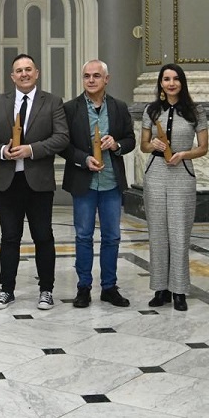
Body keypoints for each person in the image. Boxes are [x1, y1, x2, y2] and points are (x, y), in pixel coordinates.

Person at [0, 54, 69, 311]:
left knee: (43, 237)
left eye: (28, 69)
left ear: (37, 73)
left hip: (39, 182)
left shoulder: (52, 102)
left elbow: (61, 137)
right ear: (12, 76)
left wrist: (32, 149)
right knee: (9, 238)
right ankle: (6, 290)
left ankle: (46, 290)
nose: (24, 74)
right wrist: (1, 151)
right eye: (19, 70)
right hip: (8, 182)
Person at [61, 60, 135, 309]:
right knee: (83, 236)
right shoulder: (70, 109)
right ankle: (83, 287)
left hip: (112, 183)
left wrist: (116, 144)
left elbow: (131, 140)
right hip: (84, 182)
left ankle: (109, 287)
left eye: (96, 76)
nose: (91, 80)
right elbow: (63, 144)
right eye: (86, 76)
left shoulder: (119, 107)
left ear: (107, 79)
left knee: (112, 237)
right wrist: (83, 159)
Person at [140, 63, 208, 312]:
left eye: (175, 79)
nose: (171, 83)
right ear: (160, 83)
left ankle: (179, 290)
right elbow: (143, 145)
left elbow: (203, 147)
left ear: (182, 82)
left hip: (182, 172)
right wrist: (154, 146)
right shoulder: (151, 110)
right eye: (166, 79)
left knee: (179, 233)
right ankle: (160, 288)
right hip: (155, 174)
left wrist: (183, 154)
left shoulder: (195, 111)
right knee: (157, 232)